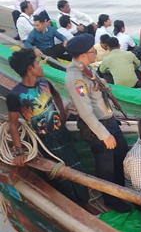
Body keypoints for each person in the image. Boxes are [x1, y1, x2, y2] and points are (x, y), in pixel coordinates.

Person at [6, 48, 89, 206]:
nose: (41, 66)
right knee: (60, 175)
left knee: (76, 167)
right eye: (37, 63)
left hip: (62, 133)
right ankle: (73, 205)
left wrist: (62, 113)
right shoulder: (15, 95)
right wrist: (19, 151)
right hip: (46, 141)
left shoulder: (44, 83)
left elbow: (56, 94)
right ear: (30, 68)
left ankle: (84, 202)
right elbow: (13, 124)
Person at [64, 34, 130, 212]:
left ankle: (122, 192)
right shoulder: (76, 79)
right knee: (106, 166)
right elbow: (85, 112)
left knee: (121, 155)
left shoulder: (86, 69)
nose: (95, 53)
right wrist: (104, 135)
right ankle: (111, 199)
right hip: (98, 128)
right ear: (84, 55)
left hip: (109, 120)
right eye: (93, 51)